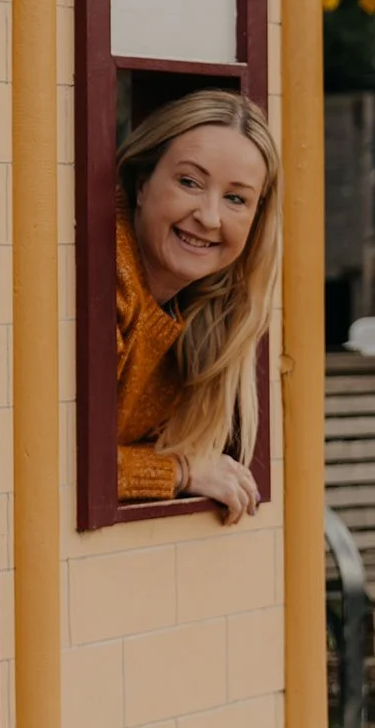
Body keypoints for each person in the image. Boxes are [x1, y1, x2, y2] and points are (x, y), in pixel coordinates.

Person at [116, 90, 280, 522]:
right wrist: (180, 470)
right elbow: (47, 466)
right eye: (189, 182)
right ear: (141, 185)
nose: (209, 217)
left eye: (236, 199)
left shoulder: (205, 312)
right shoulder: (109, 280)